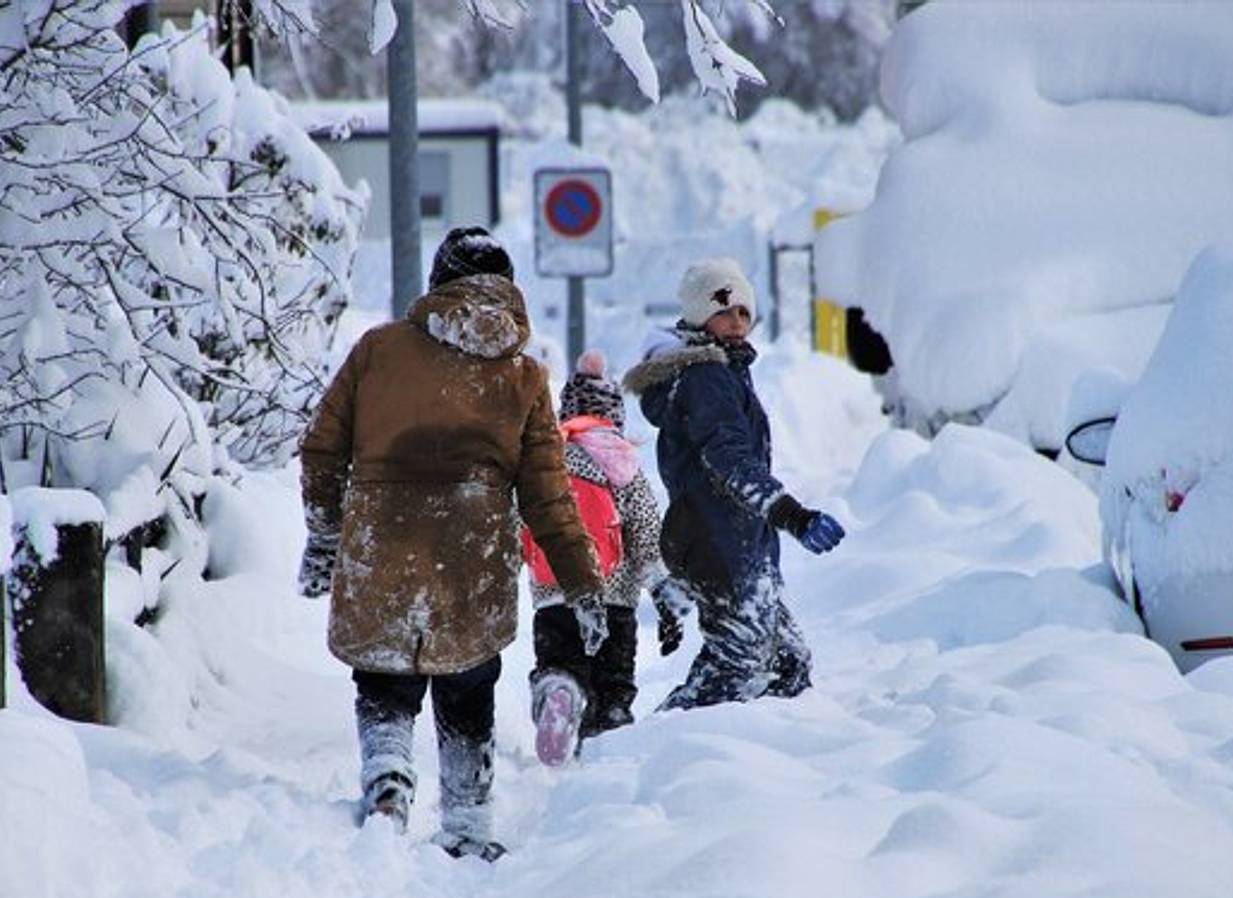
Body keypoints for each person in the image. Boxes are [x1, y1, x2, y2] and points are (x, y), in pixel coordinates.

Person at [297, 226, 606, 860]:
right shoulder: (523, 377)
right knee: (469, 685)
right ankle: (467, 824)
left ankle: (387, 777)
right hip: (473, 552)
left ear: (438, 284)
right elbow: (549, 495)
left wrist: (327, 533)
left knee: (384, 679)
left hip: (382, 541)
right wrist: (582, 583)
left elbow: (322, 449)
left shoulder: (378, 351)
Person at [622, 257, 846, 711]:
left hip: (740, 539)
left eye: (744, 311)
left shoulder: (724, 372)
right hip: (716, 540)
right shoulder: (706, 377)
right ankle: (658, 746)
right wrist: (791, 515)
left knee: (787, 662)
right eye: (723, 311)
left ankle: (764, 759)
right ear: (700, 317)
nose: (737, 322)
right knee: (738, 661)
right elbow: (729, 459)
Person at [522, 349, 692, 766]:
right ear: (615, 414)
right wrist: (660, 588)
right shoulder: (623, 463)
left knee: (559, 663)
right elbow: (647, 535)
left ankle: (559, 690)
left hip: (554, 595)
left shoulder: (546, 459)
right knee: (613, 686)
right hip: (615, 602)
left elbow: (518, 524)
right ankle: (606, 757)